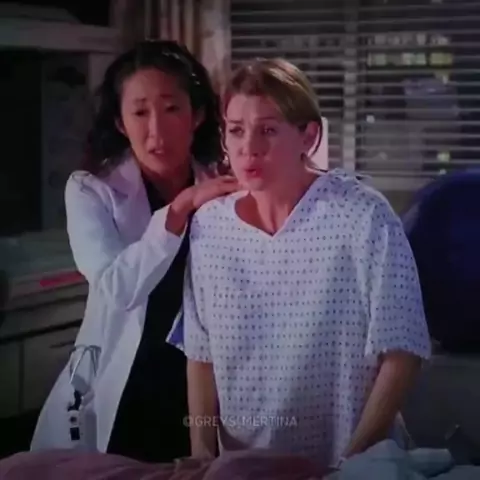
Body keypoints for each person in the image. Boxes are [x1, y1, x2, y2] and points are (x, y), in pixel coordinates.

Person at [175, 58, 431, 471]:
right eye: (236, 130)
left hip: (350, 464)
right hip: (244, 467)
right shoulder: (210, 227)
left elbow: (402, 353)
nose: (248, 148)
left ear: (308, 136)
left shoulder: (361, 215)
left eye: (268, 130)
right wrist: (203, 458)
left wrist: (351, 463)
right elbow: (200, 355)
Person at [30, 40, 239, 462]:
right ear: (121, 123)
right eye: (140, 112)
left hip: (202, 381)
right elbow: (115, 289)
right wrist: (178, 210)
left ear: (197, 114)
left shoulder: (222, 188)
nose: (156, 131)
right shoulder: (91, 190)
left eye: (171, 109)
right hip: (125, 380)